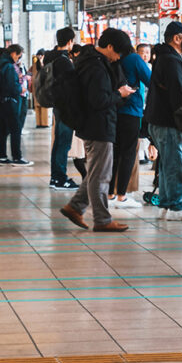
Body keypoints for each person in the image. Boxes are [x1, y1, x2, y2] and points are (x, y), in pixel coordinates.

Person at [59, 29, 135, 234]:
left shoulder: (94, 61)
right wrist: (120, 93)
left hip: (96, 124)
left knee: (97, 171)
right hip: (98, 125)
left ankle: (75, 207)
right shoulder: (95, 66)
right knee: (101, 175)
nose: (119, 57)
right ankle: (102, 219)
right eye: (118, 53)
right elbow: (98, 100)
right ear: (109, 47)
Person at [145, 21, 182, 220]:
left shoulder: (162, 58)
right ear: (177, 38)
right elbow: (178, 94)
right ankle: (175, 205)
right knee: (175, 164)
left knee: (166, 164)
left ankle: (165, 202)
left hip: (157, 120)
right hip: (168, 121)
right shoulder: (172, 61)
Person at [110, 40, 151, 208]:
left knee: (114, 153)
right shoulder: (134, 59)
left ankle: (110, 193)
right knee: (128, 154)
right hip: (131, 111)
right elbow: (150, 80)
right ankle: (121, 196)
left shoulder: (112, 60)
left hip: (114, 110)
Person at [46, 28, 80, 191]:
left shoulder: (50, 57)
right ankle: (60, 178)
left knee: (58, 143)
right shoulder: (64, 61)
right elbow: (72, 87)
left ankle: (56, 177)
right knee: (63, 144)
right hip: (65, 108)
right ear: (69, 42)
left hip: (57, 106)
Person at [0, 44, 32, 166]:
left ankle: (3, 157)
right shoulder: (9, 67)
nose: (19, 58)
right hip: (10, 101)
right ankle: (17, 157)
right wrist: (20, 89)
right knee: (15, 129)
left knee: (3, 130)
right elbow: (11, 86)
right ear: (14, 53)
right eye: (19, 55)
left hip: (0, 101)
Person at [31, 50, 50, 128]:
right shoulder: (45, 64)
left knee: (39, 106)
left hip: (37, 87)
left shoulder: (34, 65)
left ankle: (39, 123)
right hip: (42, 87)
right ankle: (43, 123)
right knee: (42, 106)